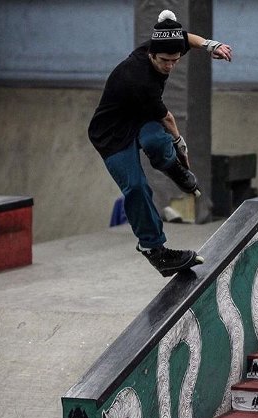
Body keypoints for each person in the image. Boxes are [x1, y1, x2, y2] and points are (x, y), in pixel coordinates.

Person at [88, 9, 232, 277]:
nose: (169, 66)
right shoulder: (137, 78)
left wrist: (212, 45)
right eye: (164, 61)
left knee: (155, 142)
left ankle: (171, 167)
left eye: (175, 61)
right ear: (150, 53)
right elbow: (167, 118)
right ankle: (155, 250)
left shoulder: (166, 44)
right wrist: (180, 147)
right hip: (111, 132)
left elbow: (187, 38)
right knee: (137, 186)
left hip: (138, 116)